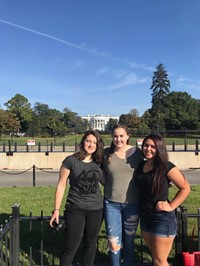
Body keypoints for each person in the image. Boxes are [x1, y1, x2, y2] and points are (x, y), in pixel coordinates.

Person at [50, 130, 104, 266]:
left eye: (94, 142)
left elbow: (107, 182)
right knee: (71, 246)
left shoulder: (99, 162)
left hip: (96, 209)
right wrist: (56, 210)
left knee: (91, 246)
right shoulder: (71, 161)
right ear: (83, 142)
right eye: (88, 141)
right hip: (76, 208)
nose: (91, 145)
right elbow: (61, 185)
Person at [135, 134, 191, 266]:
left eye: (153, 146)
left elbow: (185, 188)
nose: (148, 149)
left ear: (159, 148)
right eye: (146, 145)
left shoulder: (166, 166)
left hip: (161, 218)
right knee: (156, 258)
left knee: (160, 261)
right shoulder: (141, 165)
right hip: (145, 217)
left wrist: (171, 206)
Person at [102, 124, 144, 266]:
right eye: (115, 136)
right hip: (111, 204)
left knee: (129, 241)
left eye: (121, 136)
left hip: (132, 204)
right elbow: (101, 173)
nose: (118, 139)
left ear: (127, 136)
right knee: (113, 242)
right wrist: (108, 185)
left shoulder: (137, 153)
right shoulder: (107, 153)